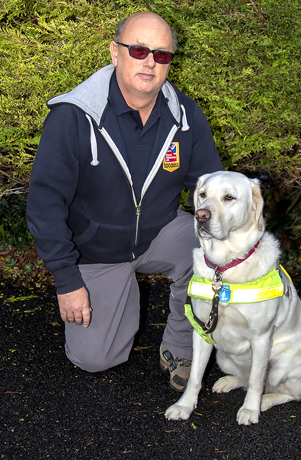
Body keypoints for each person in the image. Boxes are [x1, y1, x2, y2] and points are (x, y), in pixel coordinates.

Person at [26, 12, 222, 391]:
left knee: (213, 247)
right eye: (138, 49)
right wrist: (67, 280)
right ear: (115, 53)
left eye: (162, 55)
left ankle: (181, 348)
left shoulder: (186, 116)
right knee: (95, 359)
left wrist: (239, 240)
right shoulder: (74, 116)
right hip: (96, 250)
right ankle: (119, 292)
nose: (150, 61)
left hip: (158, 230)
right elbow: (45, 203)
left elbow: (210, 187)